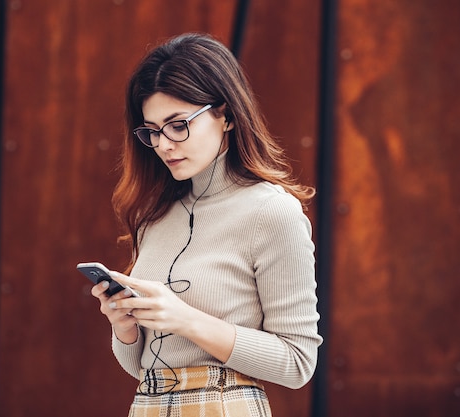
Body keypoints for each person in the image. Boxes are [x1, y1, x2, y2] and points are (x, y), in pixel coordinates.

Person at [90, 32, 322, 417]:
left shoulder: (272, 212)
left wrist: (185, 319)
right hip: (148, 406)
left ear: (226, 115)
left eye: (178, 124)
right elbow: (143, 368)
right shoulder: (154, 216)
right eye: (152, 130)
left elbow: (298, 363)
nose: (164, 144)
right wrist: (124, 328)